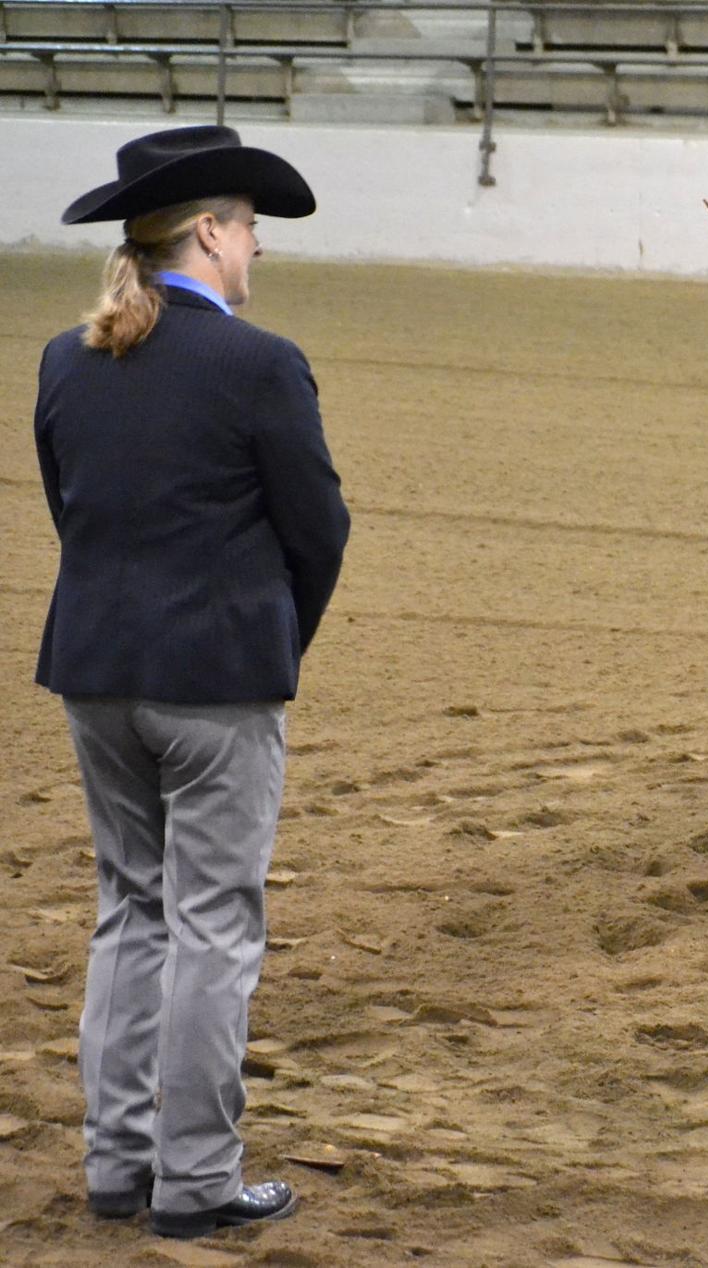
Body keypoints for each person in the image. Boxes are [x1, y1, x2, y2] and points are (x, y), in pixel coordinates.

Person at [34, 126, 350, 1236]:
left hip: (95, 666)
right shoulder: (260, 363)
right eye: (250, 228)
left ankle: (116, 1161)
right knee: (215, 924)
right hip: (215, 678)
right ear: (210, 232)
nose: (258, 250)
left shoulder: (67, 357)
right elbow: (319, 529)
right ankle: (198, 1175)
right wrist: (272, 637)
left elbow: (69, 506)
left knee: (131, 912)